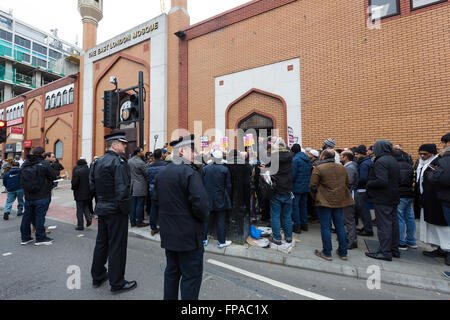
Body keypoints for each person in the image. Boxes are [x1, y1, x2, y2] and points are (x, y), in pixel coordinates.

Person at [152, 134, 209, 300]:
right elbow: (202, 205)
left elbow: (155, 199)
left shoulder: (162, 173)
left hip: (169, 234)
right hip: (189, 237)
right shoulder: (190, 173)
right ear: (182, 152)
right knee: (191, 277)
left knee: (172, 272)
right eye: (192, 151)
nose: (195, 155)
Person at [90, 132, 137, 293]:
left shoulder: (98, 162)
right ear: (115, 145)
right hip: (115, 210)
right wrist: (125, 210)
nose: (126, 146)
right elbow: (123, 189)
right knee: (117, 246)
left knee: (102, 243)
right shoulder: (118, 162)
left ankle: (98, 275)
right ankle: (117, 282)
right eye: (123, 143)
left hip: (103, 207)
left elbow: (92, 186)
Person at [310, 149, 353, 261]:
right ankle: (343, 252)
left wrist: (317, 198)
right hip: (339, 201)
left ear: (323, 156)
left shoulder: (319, 168)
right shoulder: (342, 168)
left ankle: (327, 252)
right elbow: (348, 183)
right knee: (339, 226)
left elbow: (313, 186)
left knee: (325, 227)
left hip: (324, 201)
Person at [365, 140, 400, 262]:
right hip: (393, 196)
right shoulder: (392, 159)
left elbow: (382, 180)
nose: (373, 150)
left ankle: (385, 252)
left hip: (383, 198)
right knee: (393, 224)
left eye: (375, 147)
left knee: (384, 225)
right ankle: (394, 249)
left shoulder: (381, 161)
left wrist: (369, 183)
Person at [416, 143, 450, 265]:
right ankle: (440, 248)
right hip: (427, 199)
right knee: (434, 227)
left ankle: (448, 250)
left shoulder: (438, 161)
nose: (422, 156)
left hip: (438, 200)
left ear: (432, 153)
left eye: (425, 154)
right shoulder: (421, 163)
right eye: (420, 153)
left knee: (443, 227)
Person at [19, 146, 57, 246]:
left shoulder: (25, 164)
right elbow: (53, 177)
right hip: (42, 195)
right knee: (40, 217)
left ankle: (25, 237)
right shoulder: (44, 164)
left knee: (27, 216)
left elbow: (20, 178)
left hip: (28, 196)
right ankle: (40, 238)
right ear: (42, 154)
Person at [202, 149, 232, 248]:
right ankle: (221, 241)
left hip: (207, 197)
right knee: (220, 220)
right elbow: (228, 186)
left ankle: (204, 239)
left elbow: (201, 183)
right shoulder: (224, 169)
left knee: (206, 219)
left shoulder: (206, 168)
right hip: (220, 198)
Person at [266, 138, 293, 246]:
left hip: (277, 188)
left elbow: (268, 170)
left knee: (275, 215)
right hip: (288, 188)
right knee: (287, 215)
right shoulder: (290, 156)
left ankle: (277, 238)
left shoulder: (273, 157)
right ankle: (289, 236)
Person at [392, 148, 417, 251]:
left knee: (400, 217)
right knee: (410, 217)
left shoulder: (395, 166)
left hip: (400, 194)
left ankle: (401, 242)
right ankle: (411, 241)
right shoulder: (408, 165)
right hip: (409, 194)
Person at [340, 151, 359, 249]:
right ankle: (350, 238)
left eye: (341, 155)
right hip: (347, 196)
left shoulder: (350, 168)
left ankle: (352, 241)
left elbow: (348, 183)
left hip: (348, 197)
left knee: (349, 220)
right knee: (347, 219)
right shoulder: (349, 166)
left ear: (346, 157)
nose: (339, 156)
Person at [146, 148, 168, 235]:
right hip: (164, 190)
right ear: (161, 155)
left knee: (153, 209)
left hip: (153, 190)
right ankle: (165, 227)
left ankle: (153, 227)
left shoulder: (149, 166)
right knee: (165, 209)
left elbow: (147, 178)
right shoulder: (166, 165)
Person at [354, 145, 374, 237]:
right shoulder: (366, 162)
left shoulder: (364, 164)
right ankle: (366, 227)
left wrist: (355, 183)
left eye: (357, 154)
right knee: (363, 211)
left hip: (362, 190)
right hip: (364, 189)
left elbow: (363, 178)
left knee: (363, 211)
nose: (355, 156)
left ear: (362, 154)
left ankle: (368, 229)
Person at [291, 144, 312, 233]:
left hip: (297, 187)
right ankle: (305, 225)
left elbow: (293, 175)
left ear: (293, 151)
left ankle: (297, 226)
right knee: (304, 206)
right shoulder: (307, 159)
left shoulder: (295, 160)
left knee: (295, 206)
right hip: (305, 186)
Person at [128, 147, 149, 228]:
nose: (143, 152)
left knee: (133, 205)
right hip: (140, 185)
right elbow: (146, 173)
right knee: (139, 205)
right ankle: (139, 221)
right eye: (141, 151)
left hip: (132, 185)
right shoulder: (141, 162)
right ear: (138, 153)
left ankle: (132, 221)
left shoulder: (129, 161)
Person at [71, 158, 92, 231]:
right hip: (88, 193)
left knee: (79, 209)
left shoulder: (77, 172)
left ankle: (80, 225)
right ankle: (88, 219)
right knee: (85, 206)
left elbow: (74, 184)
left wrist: (73, 188)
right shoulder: (90, 170)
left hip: (79, 193)